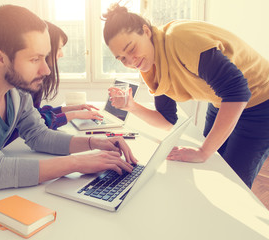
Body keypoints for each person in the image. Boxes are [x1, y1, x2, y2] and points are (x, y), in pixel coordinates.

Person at [0, 4, 137, 214]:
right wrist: (77, 163)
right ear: (0, 57)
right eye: (35, 59)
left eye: (45, 57)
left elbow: (39, 135)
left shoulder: (16, 89)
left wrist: (93, 144)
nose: (47, 70)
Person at [102, 3, 269, 188]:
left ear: (146, 31)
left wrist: (203, 151)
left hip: (261, 101)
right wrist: (130, 106)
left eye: (131, 48)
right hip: (222, 101)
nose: (131, 61)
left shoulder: (180, 39)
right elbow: (167, 121)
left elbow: (237, 91)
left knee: (234, 183)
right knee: (212, 167)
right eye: (122, 58)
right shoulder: (150, 65)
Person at [32, 21, 103, 130]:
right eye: (59, 48)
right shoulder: (27, 81)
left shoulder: (37, 78)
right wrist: (74, 114)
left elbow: (37, 113)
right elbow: (37, 122)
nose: (62, 54)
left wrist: (74, 109)